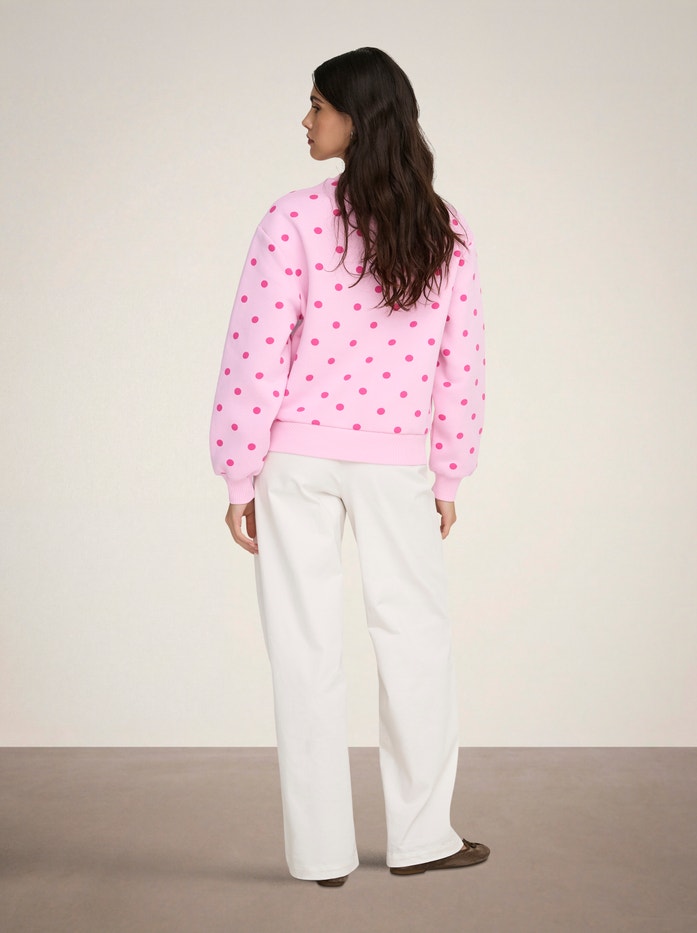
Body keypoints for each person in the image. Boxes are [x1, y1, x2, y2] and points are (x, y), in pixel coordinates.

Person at [209, 47, 489, 887]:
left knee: (304, 649)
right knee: (416, 641)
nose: (305, 121)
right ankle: (423, 837)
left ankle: (322, 854)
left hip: (295, 459)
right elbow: (462, 364)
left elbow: (255, 352)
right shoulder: (443, 228)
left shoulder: (292, 218)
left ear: (356, 120)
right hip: (395, 462)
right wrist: (447, 471)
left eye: (318, 106)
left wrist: (239, 471)